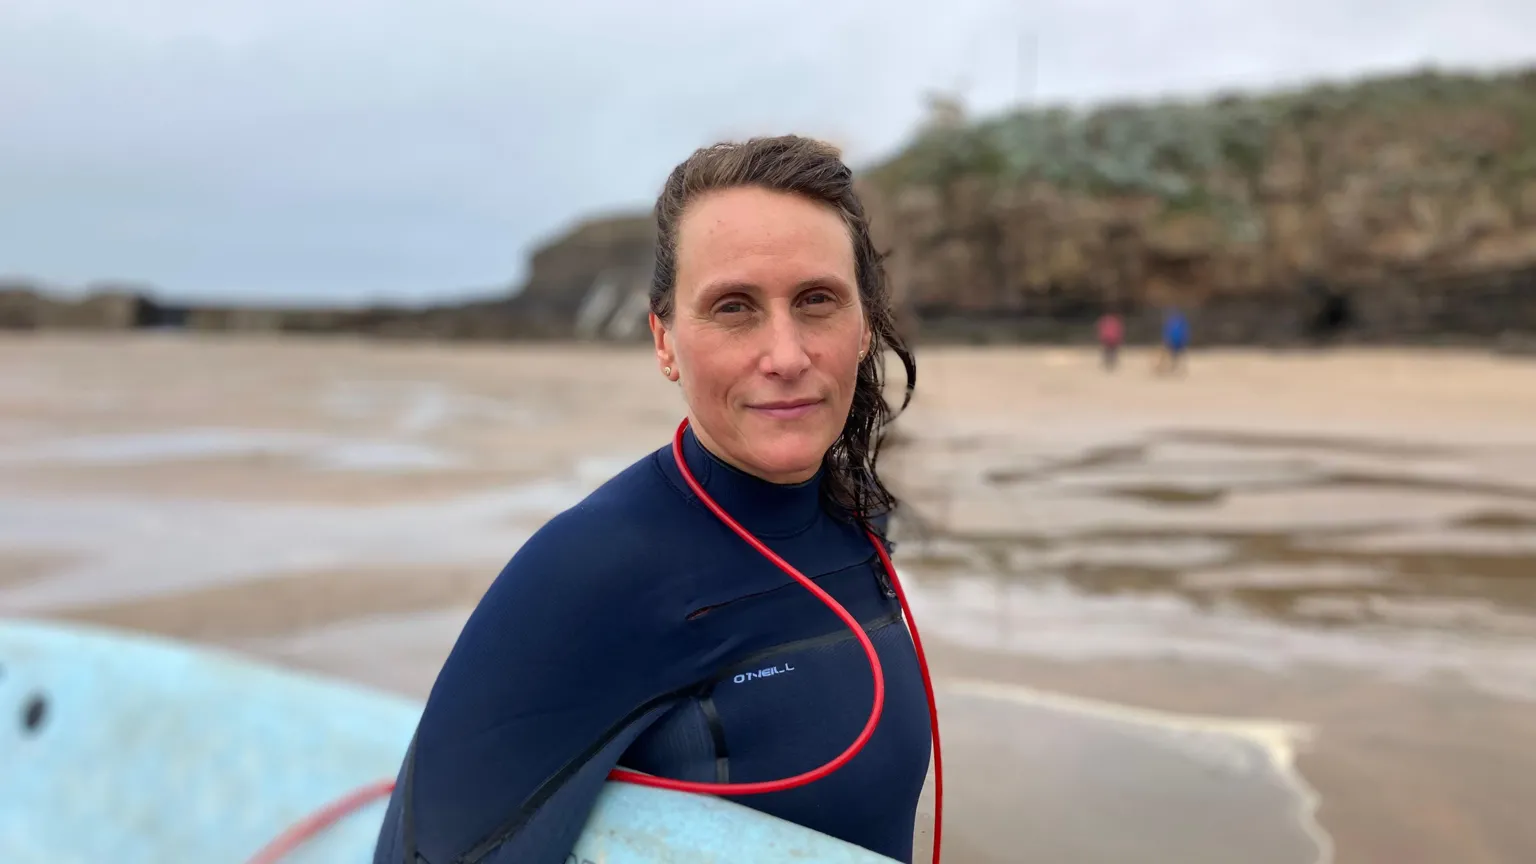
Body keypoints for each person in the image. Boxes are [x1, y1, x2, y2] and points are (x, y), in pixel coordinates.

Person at [371, 136, 936, 864]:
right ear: (664, 341)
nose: (788, 355)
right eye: (734, 307)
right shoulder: (587, 571)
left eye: (817, 300)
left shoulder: (859, 519)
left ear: (864, 327)